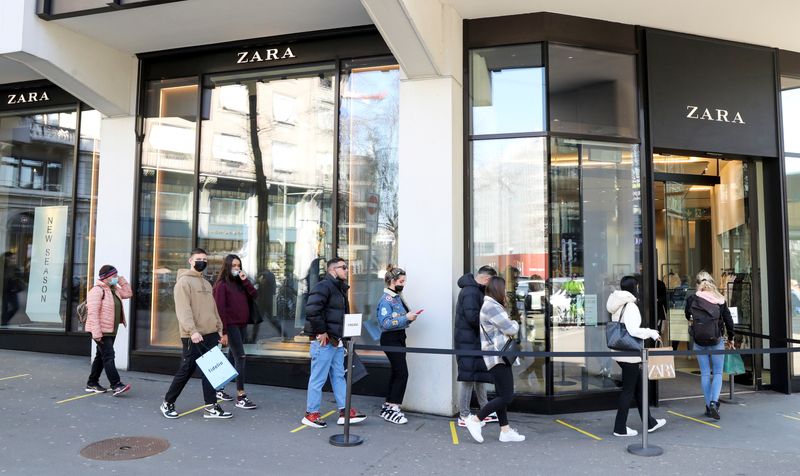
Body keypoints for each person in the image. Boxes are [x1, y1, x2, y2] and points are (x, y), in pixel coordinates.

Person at [160, 248, 231, 420]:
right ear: (190, 261)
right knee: (186, 369)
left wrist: (219, 327)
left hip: (211, 333)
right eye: (199, 259)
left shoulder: (206, 283)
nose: (202, 262)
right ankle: (168, 402)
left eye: (205, 259)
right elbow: (183, 310)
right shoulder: (183, 283)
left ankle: (211, 406)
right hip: (194, 335)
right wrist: (192, 331)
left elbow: (212, 308)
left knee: (211, 372)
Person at [300, 257, 366, 428]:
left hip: (336, 341)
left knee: (338, 375)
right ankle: (311, 414)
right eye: (343, 267)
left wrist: (345, 337)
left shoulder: (339, 289)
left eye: (346, 267)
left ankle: (345, 411)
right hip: (324, 341)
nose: (346, 270)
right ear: (332, 270)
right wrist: (321, 331)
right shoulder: (323, 286)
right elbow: (312, 309)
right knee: (318, 378)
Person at [462, 276, 524, 443]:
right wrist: (517, 323)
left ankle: (505, 431)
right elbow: (511, 329)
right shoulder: (491, 306)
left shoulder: (490, 304)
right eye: (504, 289)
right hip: (498, 356)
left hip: (496, 356)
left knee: (501, 394)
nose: (506, 292)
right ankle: (475, 420)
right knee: (507, 396)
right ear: (498, 289)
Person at [607, 275, 666, 436]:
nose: (639, 289)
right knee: (628, 391)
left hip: (620, 352)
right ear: (634, 287)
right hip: (630, 354)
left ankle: (650, 422)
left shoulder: (616, 303)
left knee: (639, 389)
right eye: (637, 286)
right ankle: (619, 428)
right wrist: (651, 333)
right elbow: (633, 330)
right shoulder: (630, 305)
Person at [685, 271, 735, 420]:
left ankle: (708, 407)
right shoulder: (720, 299)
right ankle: (714, 402)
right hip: (716, 341)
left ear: (697, 284)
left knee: (705, 374)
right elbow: (728, 320)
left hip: (699, 341)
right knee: (718, 373)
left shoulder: (691, 299)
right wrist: (731, 337)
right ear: (712, 282)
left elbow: (688, 316)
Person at [454, 265, 498, 427]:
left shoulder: (473, 290)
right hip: (469, 342)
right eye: (491, 283)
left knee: (478, 375)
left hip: (472, 341)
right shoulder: (471, 292)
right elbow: (473, 318)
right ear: (487, 279)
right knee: (468, 378)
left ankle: (485, 410)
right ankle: (464, 415)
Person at [213, 254, 258, 409]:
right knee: (240, 356)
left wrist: (245, 280)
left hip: (242, 324)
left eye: (238, 265)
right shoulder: (221, 285)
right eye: (233, 266)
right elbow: (220, 310)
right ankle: (241, 396)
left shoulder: (240, 283)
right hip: (230, 326)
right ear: (227, 267)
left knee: (232, 356)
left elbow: (254, 294)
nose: (236, 268)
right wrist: (223, 332)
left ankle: (218, 388)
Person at [376, 265, 418, 424]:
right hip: (390, 338)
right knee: (402, 373)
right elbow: (385, 323)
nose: (404, 283)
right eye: (401, 281)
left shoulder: (397, 297)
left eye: (404, 281)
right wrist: (406, 318)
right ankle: (393, 407)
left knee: (397, 372)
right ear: (392, 281)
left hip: (399, 336)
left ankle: (389, 405)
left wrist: (409, 317)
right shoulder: (387, 299)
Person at [84, 265, 133, 396]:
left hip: (111, 329)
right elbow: (92, 313)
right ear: (106, 277)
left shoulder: (114, 289)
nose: (116, 278)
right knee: (109, 356)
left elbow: (128, 293)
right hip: (100, 330)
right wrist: (97, 333)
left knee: (101, 356)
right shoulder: (97, 290)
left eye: (117, 275)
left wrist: (121, 281)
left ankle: (92, 382)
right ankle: (116, 384)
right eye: (114, 276)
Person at [1, 251, 22, 326]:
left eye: (14, 258)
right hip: (5, 290)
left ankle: (5, 320)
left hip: (13, 290)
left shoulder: (14, 267)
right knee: (4, 308)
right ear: (7, 258)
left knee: (16, 307)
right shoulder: (3, 267)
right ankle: (4, 323)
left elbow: (19, 277)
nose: (13, 259)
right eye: (12, 258)